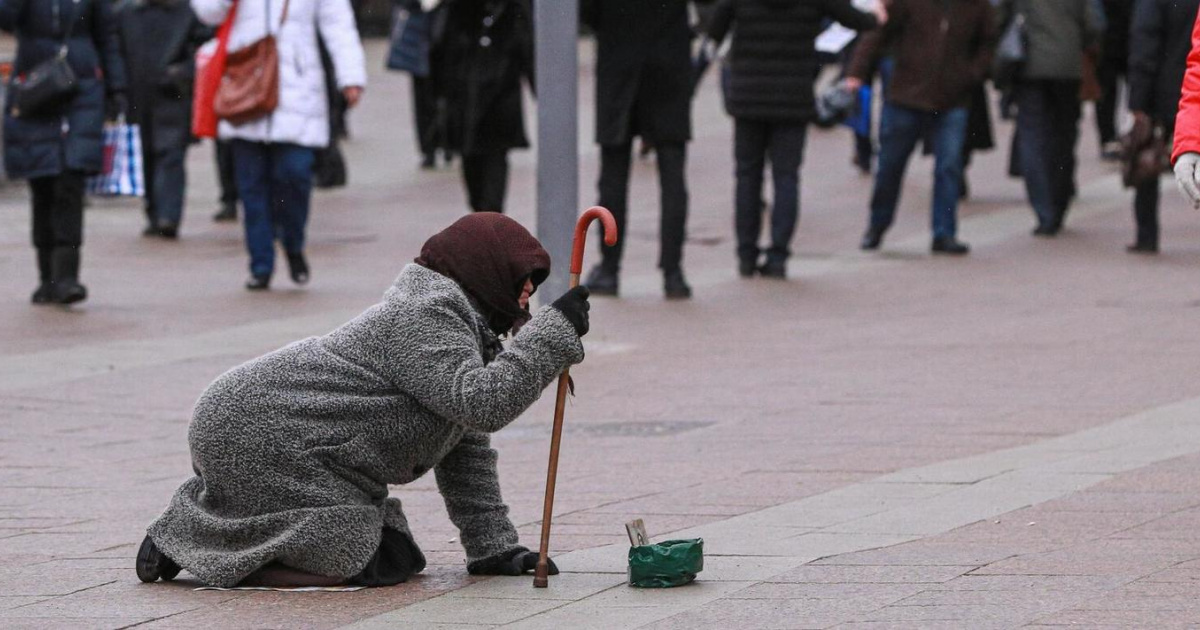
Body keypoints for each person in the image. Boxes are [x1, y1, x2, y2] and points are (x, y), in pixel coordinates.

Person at [134, 213, 591, 588]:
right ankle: (189, 541)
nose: (528, 290)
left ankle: (197, 536)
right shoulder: (424, 314)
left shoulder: (460, 326)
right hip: (252, 425)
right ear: (483, 268)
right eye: (522, 277)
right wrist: (551, 336)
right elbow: (481, 404)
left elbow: (465, 443)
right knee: (361, 561)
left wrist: (493, 548)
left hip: (300, 445)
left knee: (392, 556)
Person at [191, 0, 366, 291]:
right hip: (245, 85)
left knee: (294, 174)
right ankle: (261, 264)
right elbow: (207, 12)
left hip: (297, 88)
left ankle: (293, 242)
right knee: (251, 186)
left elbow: (338, 23)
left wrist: (351, 75)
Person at [706, 0, 883, 279]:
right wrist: (876, 16)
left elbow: (714, 28)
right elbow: (853, 19)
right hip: (793, 97)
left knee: (747, 176)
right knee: (786, 176)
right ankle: (778, 256)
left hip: (748, 96)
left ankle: (746, 255)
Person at [0, 0, 127, 305]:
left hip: (82, 89)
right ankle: (46, 278)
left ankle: (67, 278)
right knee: (42, 184)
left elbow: (107, 37)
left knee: (70, 183)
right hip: (35, 90)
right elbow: (6, 19)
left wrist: (117, 90)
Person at [847, 0, 996, 256]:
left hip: (952, 98)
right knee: (890, 165)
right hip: (907, 94)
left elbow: (988, 41)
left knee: (949, 167)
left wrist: (972, 74)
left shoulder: (976, 5)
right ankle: (877, 225)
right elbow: (878, 31)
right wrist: (856, 73)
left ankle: (944, 232)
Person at [582, 0, 695, 299]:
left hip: (618, 63)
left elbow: (586, 13)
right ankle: (674, 273)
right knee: (673, 176)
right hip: (669, 65)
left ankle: (609, 268)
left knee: (613, 177)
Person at [997, 0, 1103, 237]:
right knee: (1063, 138)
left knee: (1032, 138)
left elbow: (1000, 15)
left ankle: (1043, 210)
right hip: (1068, 67)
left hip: (1029, 65)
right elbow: (1093, 24)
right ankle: (1058, 203)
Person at [118, 0, 211, 240]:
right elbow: (116, 52)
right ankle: (154, 212)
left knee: (170, 154)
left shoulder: (188, 12)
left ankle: (168, 215)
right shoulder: (127, 14)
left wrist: (184, 73)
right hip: (138, 96)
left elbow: (205, 48)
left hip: (173, 95)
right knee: (146, 154)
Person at [434, 0, 532, 213]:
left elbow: (527, 44)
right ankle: (483, 219)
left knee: (492, 165)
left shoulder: (513, 8)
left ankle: (489, 222)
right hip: (466, 95)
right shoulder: (456, 9)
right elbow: (440, 47)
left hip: (499, 94)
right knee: (473, 166)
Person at [1124, 0, 1198, 253]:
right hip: (1185, 90)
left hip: (1164, 91)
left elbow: (1144, 44)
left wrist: (1138, 101)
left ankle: (1147, 234)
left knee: (1147, 161)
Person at [1096, 0, 1130, 161]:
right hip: (1111, 40)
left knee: (1107, 93)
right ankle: (1109, 138)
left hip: (1119, 38)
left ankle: (1114, 138)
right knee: (1106, 93)